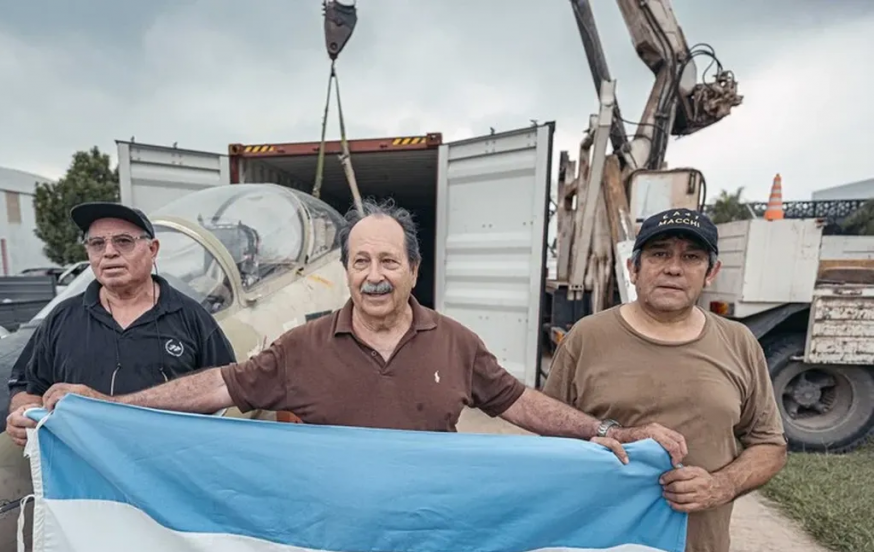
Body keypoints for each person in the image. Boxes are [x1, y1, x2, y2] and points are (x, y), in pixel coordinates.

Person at [43, 197, 687, 465]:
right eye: (360, 261)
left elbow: (523, 404)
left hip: (424, 543)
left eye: (387, 261)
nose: (373, 276)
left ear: (413, 269)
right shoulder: (301, 348)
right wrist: (111, 408)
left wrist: (606, 431)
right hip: (332, 549)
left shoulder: (457, 343)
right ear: (347, 271)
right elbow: (215, 388)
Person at [540, 207, 788, 552]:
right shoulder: (588, 338)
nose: (674, 267)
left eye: (691, 256)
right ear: (633, 268)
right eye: (659, 254)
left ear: (710, 272)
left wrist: (720, 485)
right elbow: (550, 433)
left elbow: (769, 444)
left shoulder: (739, 344)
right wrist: (614, 432)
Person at [5, 200, 238, 447]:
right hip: (85, 473)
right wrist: (24, 412)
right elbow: (28, 384)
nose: (109, 252)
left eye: (123, 241)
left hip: (168, 471)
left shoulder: (191, 317)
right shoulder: (62, 318)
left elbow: (224, 386)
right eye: (97, 244)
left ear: (153, 249)